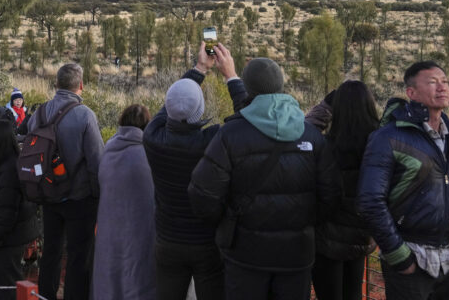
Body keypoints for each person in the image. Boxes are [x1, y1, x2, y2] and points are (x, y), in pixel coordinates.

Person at [188, 57, 339, 300]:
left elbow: (203, 195)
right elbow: (331, 196)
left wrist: (228, 221)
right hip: (296, 255)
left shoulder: (229, 135)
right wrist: (303, 224)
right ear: (281, 85)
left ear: (249, 90)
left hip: (245, 254)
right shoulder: (312, 136)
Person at [357, 61, 449, 300]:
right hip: (411, 258)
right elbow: (370, 200)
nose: (442, 87)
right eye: (433, 82)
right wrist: (399, 255)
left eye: (445, 81)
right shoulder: (388, 137)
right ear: (411, 93)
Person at [143, 42, 246, 300]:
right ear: (200, 110)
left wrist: (199, 68)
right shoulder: (214, 141)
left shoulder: (152, 137)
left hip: (168, 240)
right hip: (206, 242)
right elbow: (247, 122)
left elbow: (171, 105)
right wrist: (231, 76)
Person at [29, 63, 104, 300]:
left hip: (48, 195)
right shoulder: (85, 115)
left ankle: (46, 295)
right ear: (81, 85)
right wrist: (98, 195)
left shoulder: (39, 113)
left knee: (50, 251)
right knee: (79, 255)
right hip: (79, 198)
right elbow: (96, 162)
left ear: (56, 84)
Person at [306, 81, 379, 300]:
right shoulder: (379, 145)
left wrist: (325, 106)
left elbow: (302, 133)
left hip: (326, 238)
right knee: (353, 294)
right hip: (361, 236)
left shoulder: (324, 146)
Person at [93, 104, 156, 300]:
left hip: (109, 228)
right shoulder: (148, 154)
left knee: (110, 276)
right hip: (140, 230)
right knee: (136, 277)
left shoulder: (109, 149)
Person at [0, 120, 39, 300]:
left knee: (6, 285)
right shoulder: (11, 163)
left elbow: (6, 212)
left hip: (8, 239)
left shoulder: (8, 171)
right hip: (14, 235)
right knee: (9, 281)